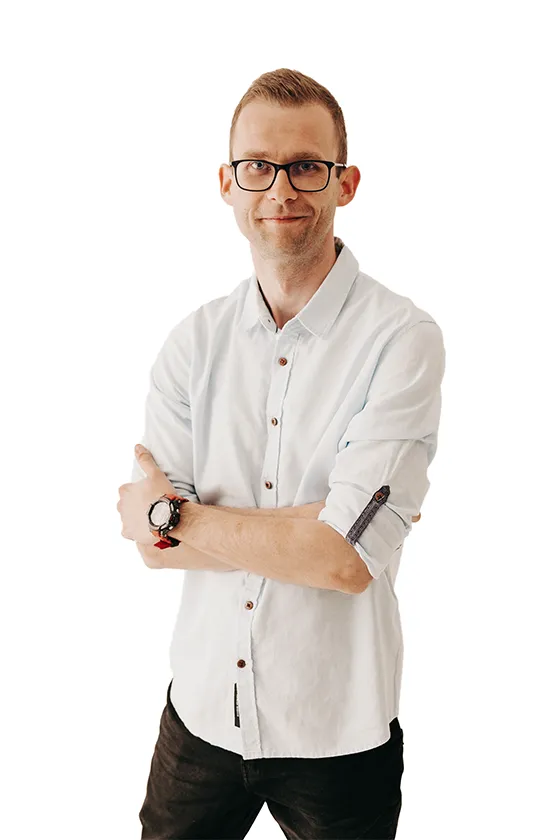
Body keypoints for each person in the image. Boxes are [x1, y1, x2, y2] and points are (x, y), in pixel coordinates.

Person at [130, 67, 446, 839]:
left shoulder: (402, 341)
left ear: (346, 182)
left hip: (338, 730)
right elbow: (154, 551)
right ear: (227, 183)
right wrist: (310, 524)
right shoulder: (191, 345)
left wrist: (178, 515)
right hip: (201, 714)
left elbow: (345, 561)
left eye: (306, 165)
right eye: (257, 166)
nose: (281, 189)